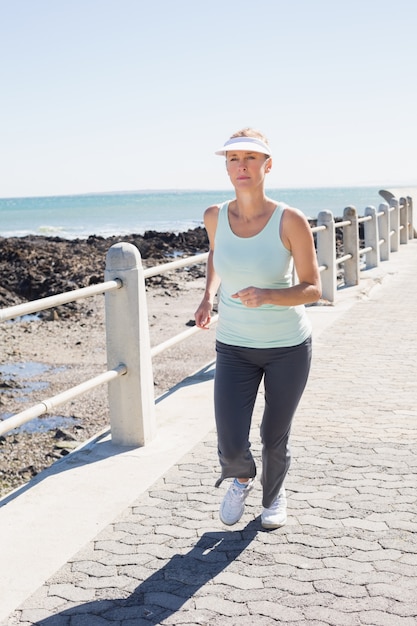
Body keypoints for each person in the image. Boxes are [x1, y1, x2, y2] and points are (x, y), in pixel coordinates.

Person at [194, 128, 322, 529]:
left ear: (268, 165)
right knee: (231, 439)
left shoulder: (290, 220)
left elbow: (314, 289)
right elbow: (217, 252)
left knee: (273, 435)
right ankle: (242, 479)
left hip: (287, 347)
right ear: (226, 168)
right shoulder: (214, 216)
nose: (241, 166)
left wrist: (268, 294)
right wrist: (208, 295)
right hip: (233, 346)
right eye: (233, 159)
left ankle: (274, 495)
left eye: (250, 158)